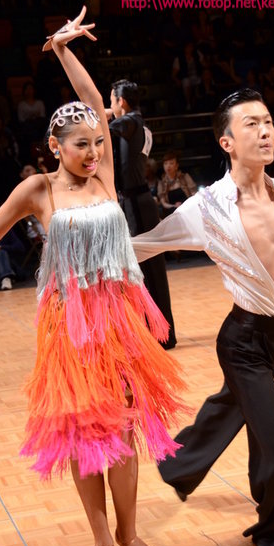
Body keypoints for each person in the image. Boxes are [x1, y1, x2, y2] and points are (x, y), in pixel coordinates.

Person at [0, 7, 188, 546]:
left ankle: (129, 533)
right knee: (87, 436)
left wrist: (60, 47)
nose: (93, 151)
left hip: (119, 322)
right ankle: (102, 543)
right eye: (81, 145)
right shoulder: (39, 189)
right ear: (54, 146)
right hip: (70, 326)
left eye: (97, 142)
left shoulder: (104, 178)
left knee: (123, 432)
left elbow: (93, 100)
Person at [132, 88, 274, 546]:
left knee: (243, 406)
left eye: (268, 121)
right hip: (243, 340)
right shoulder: (207, 208)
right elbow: (147, 244)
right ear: (226, 141)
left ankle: (178, 463)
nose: (265, 131)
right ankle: (272, 524)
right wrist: (80, 252)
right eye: (251, 124)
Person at [108, 78, 177, 349]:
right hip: (139, 201)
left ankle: (159, 334)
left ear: (121, 102)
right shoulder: (141, 125)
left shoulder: (130, 122)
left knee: (143, 267)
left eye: (112, 101)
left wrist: (99, 114)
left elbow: (106, 127)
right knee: (149, 268)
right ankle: (160, 332)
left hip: (136, 203)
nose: (110, 107)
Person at [158, 150, 197, 216]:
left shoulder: (185, 177)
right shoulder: (161, 183)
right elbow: (163, 203)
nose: (168, 166)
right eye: (165, 163)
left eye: (171, 163)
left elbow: (194, 195)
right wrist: (174, 206)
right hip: (172, 213)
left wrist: (185, 205)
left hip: (188, 209)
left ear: (176, 166)